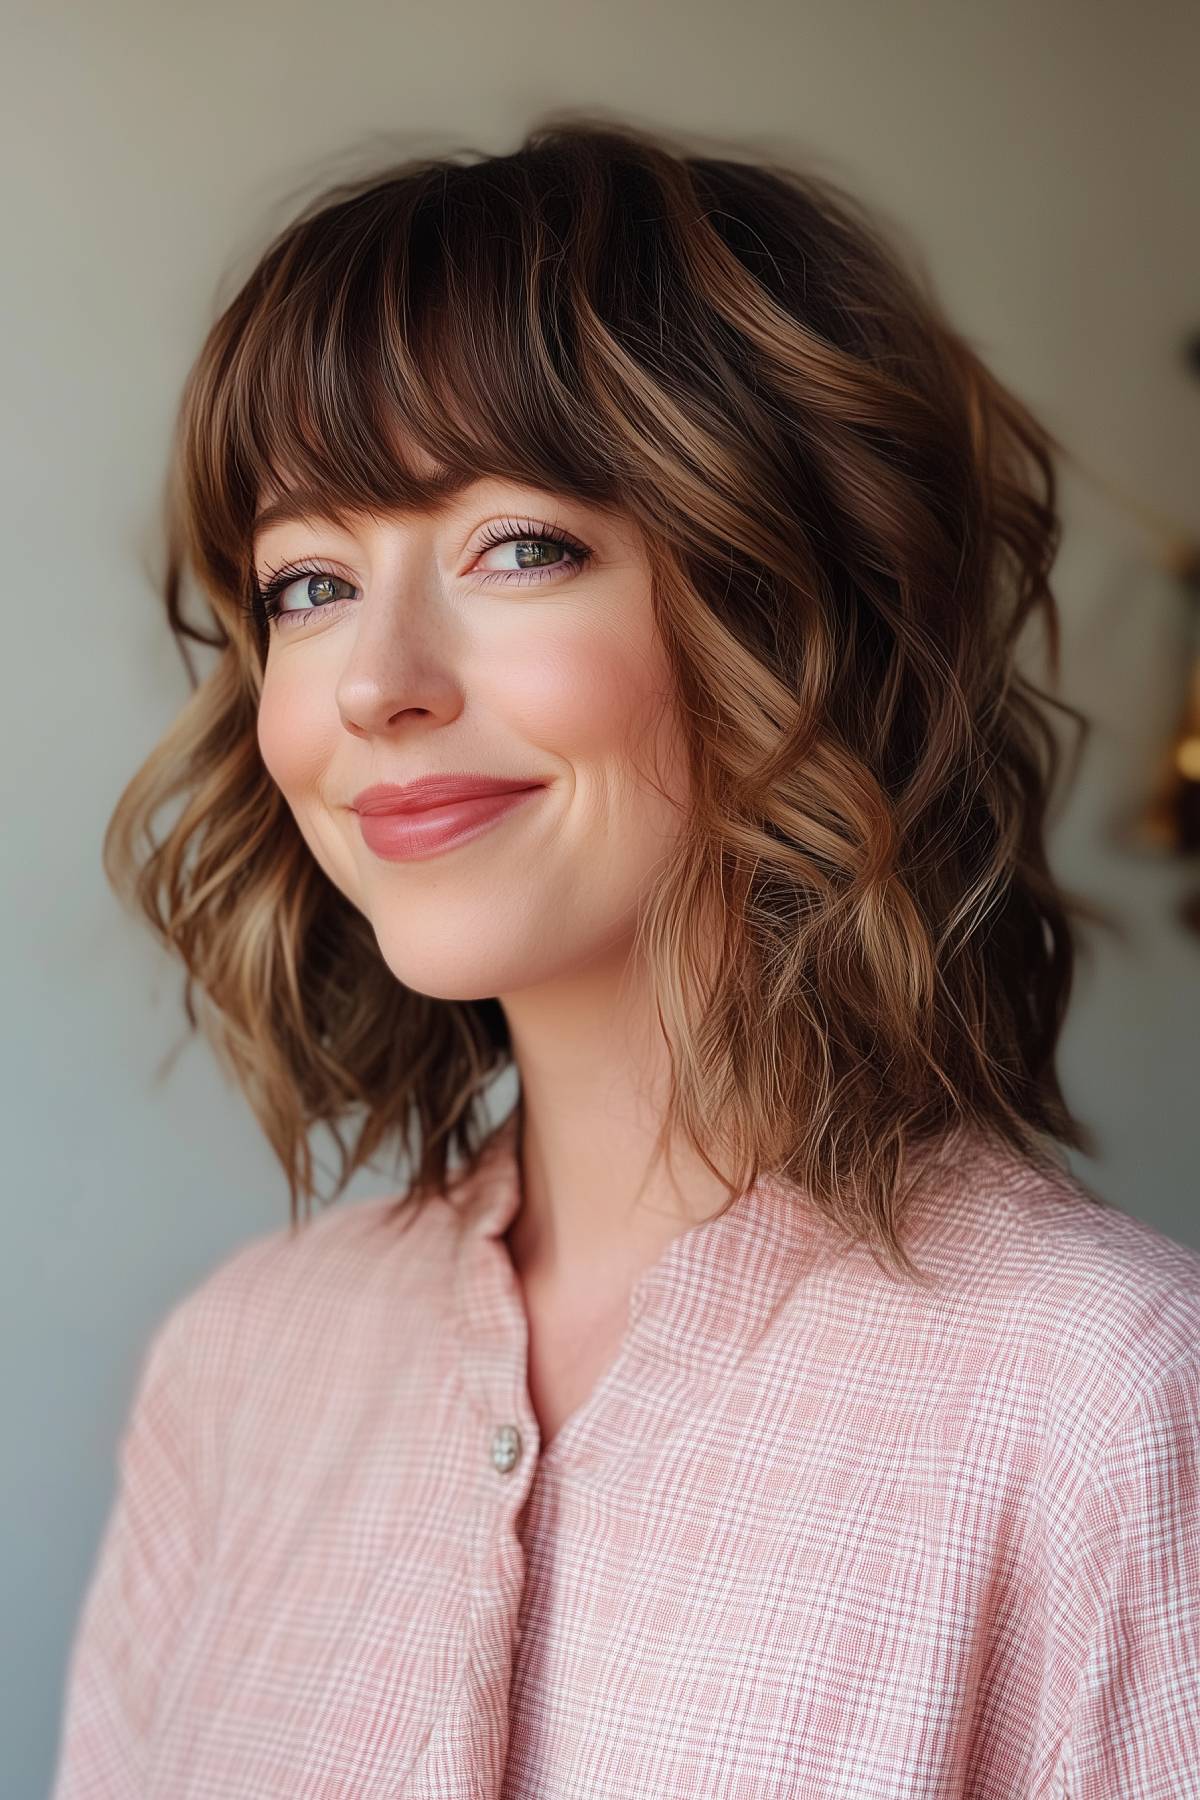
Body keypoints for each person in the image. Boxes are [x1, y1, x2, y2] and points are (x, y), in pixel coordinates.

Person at [51, 113, 1199, 1797]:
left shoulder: (1101, 1400)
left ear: (789, 605)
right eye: (307, 582)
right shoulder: (242, 1366)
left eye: (520, 545)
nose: (378, 682)